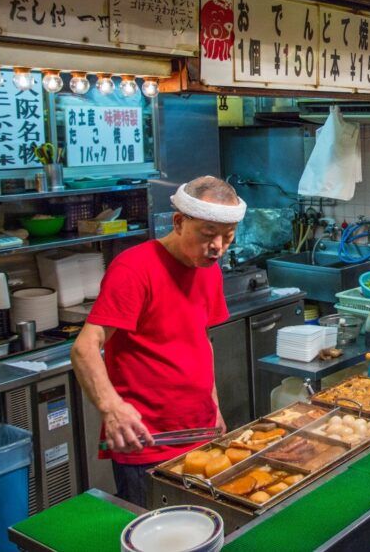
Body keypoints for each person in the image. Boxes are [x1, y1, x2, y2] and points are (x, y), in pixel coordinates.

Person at [71, 176, 245, 507]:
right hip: (148, 441)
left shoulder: (209, 268)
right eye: (208, 234)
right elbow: (85, 347)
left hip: (199, 432)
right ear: (179, 222)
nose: (218, 247)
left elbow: (201, 341)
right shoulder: (134, 268)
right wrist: (112, 407)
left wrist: (214, 407)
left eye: (228, 236)